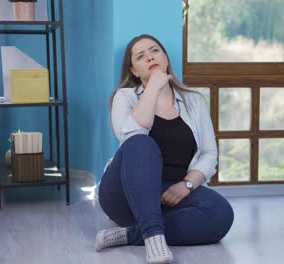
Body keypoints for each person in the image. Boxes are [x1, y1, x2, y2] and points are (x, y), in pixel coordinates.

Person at [94, 34, 234, 264]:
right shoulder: (124, 97)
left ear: (165, 57)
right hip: (123, 193)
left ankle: (129, 234)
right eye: (141, 56)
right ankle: (153, 238)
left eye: (155, 50)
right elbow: (129, 137)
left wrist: (187, 185)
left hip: (171, 193)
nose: (150, 57)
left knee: (220, 213)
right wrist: (153, 87)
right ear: (134, 71)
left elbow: (209, 154)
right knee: (141, 142)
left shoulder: (194, 100)